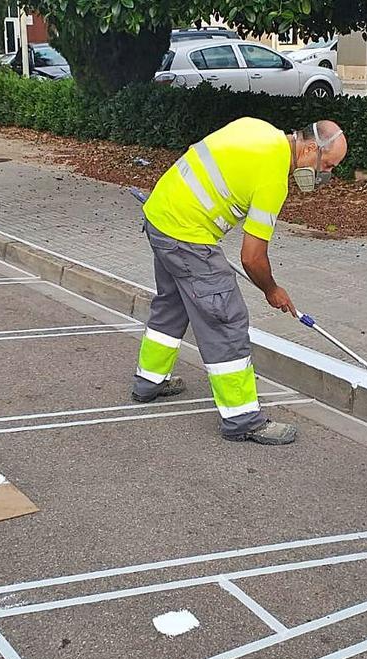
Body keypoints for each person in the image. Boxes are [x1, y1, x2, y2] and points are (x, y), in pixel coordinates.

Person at [131, 118, 348, 445]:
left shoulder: (257, 128)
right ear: (310, 149)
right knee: (226, 321)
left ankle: (148, 382)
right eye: (327, 165)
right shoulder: (273, 177)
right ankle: (243, 420)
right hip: (189, 237)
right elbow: (252, 257)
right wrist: (271, 290)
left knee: (172, 305)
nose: (324, 175)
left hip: (160, 217)